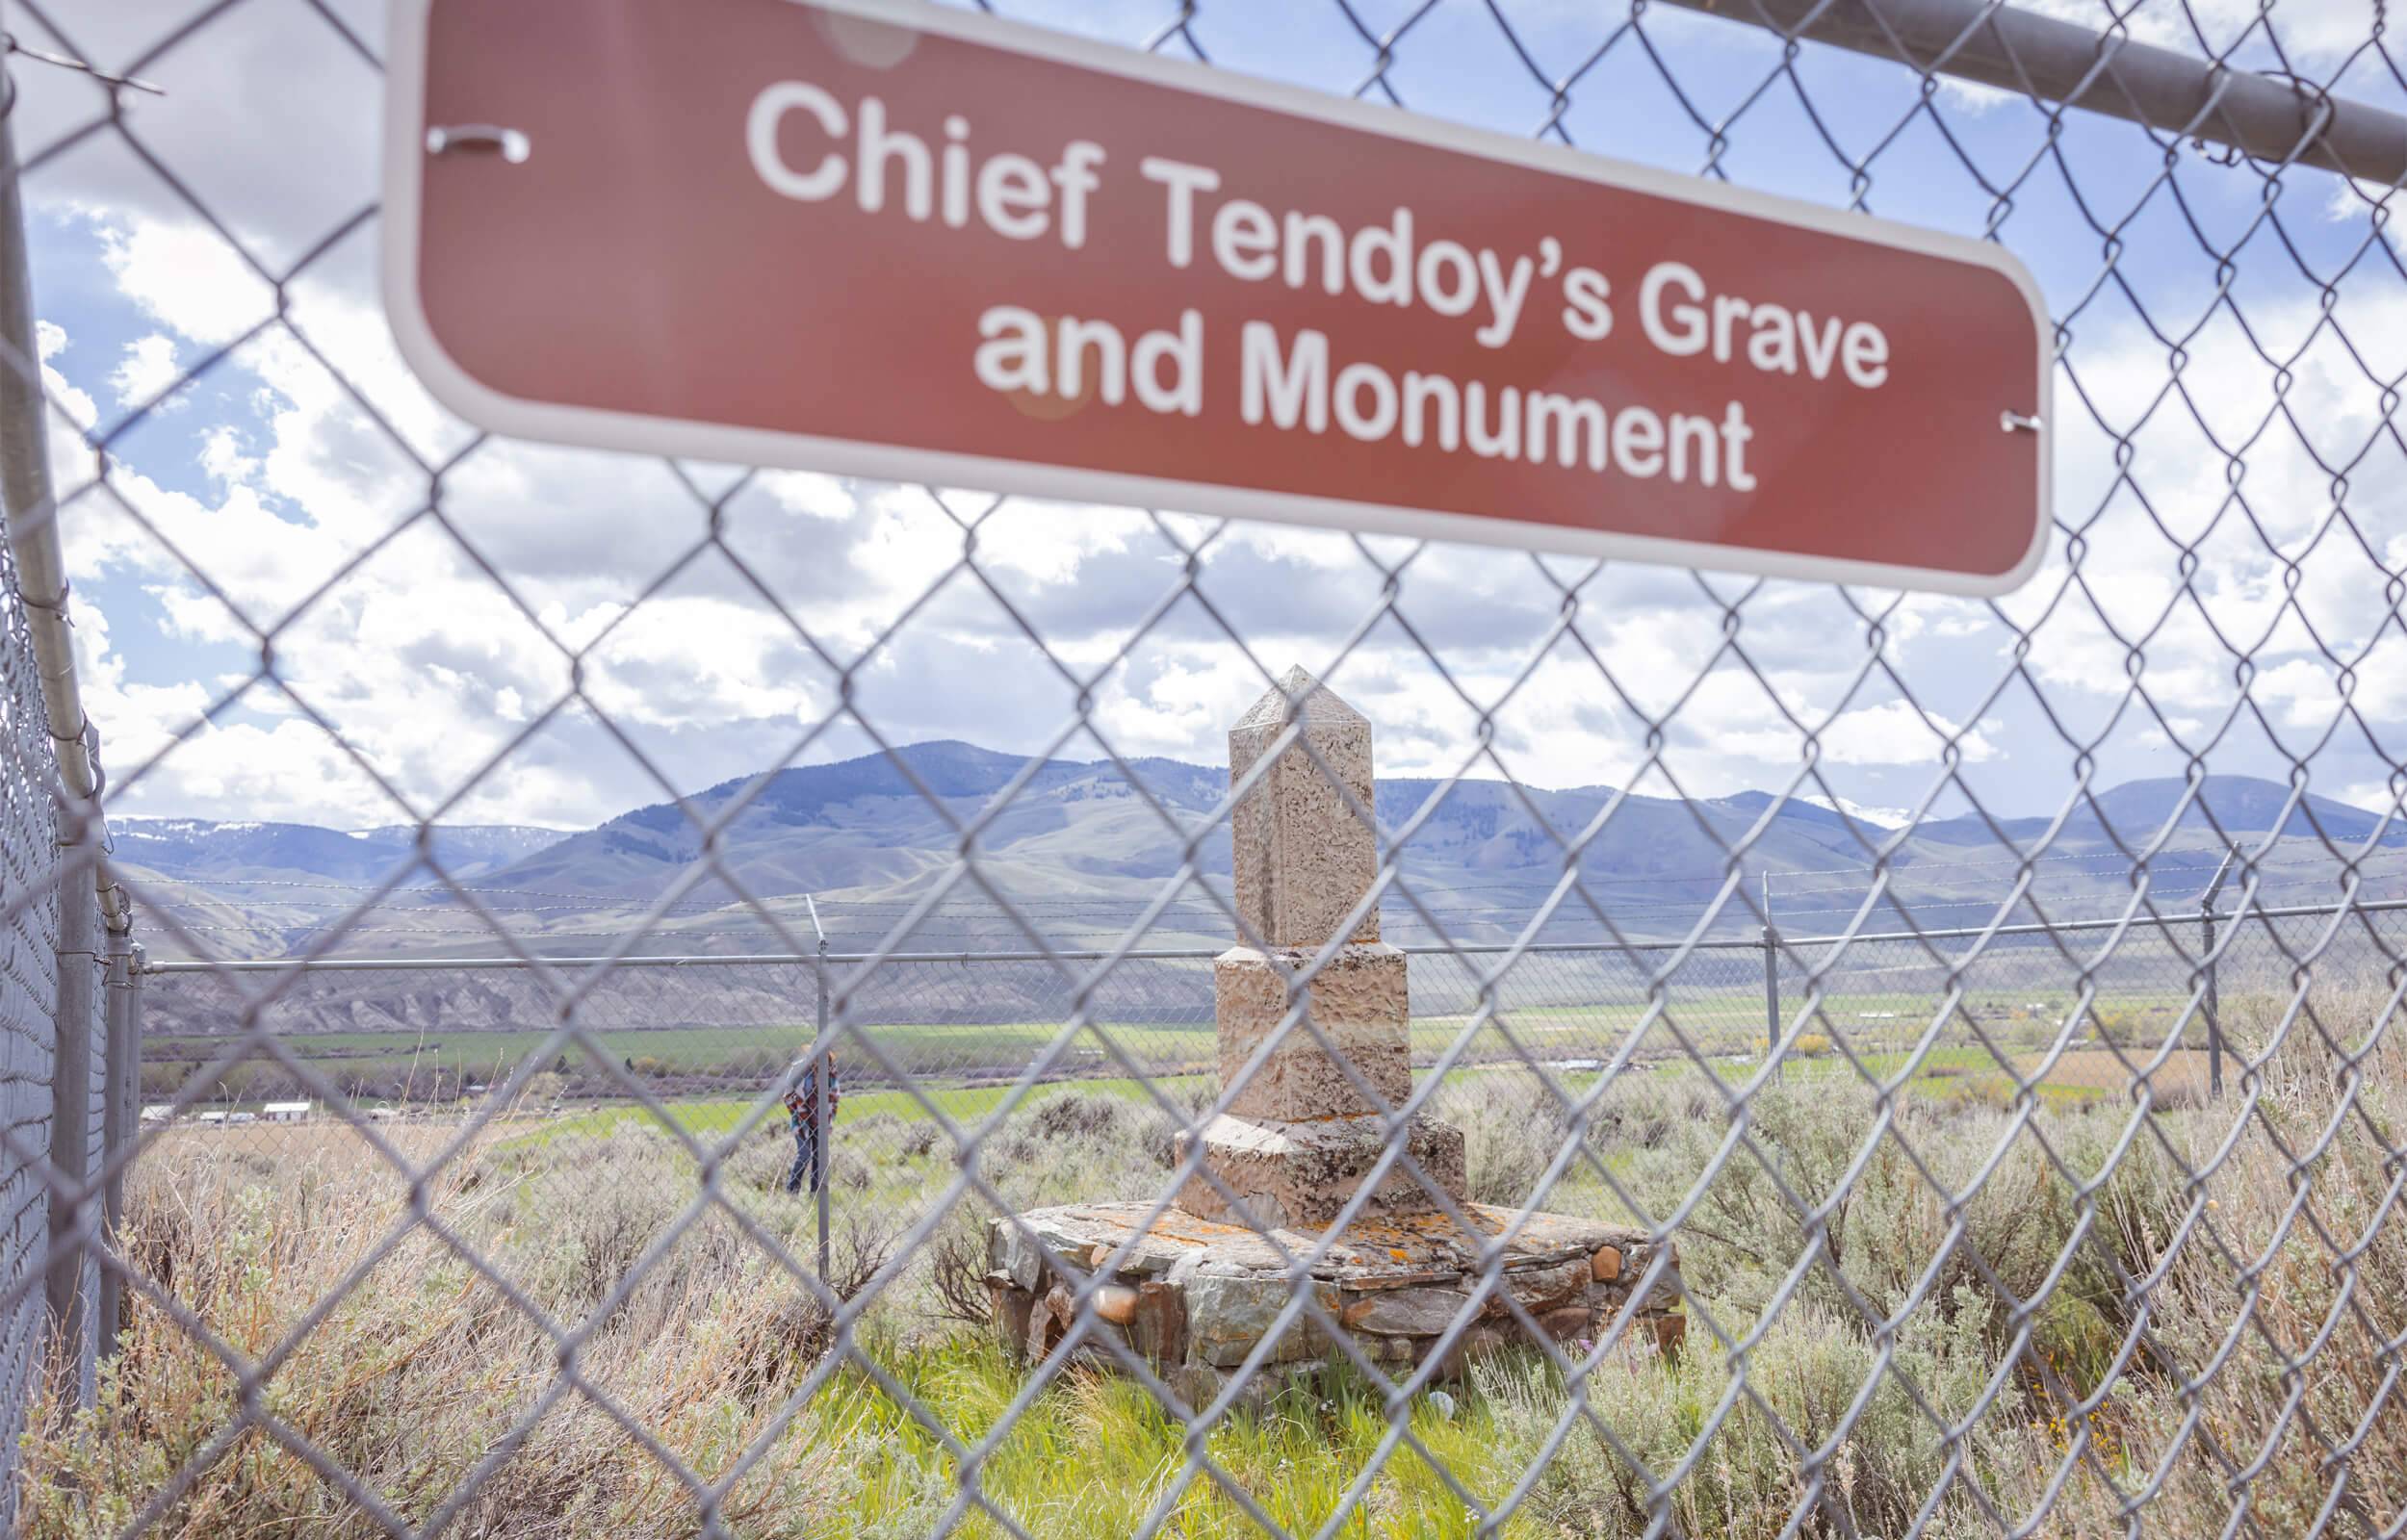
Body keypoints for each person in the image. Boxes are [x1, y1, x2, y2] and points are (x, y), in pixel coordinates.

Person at [782, 1052, 841, 1195]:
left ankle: (816, 1193)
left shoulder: (830, 1072)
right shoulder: (798, 1069)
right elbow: (788, 1095)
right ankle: (792, 1191)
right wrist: (797, 1115)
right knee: (804, 1154)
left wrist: (829, 1120)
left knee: (819, 1157)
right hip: (801, 1121)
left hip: (821, 1121)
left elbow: (834, 1097)